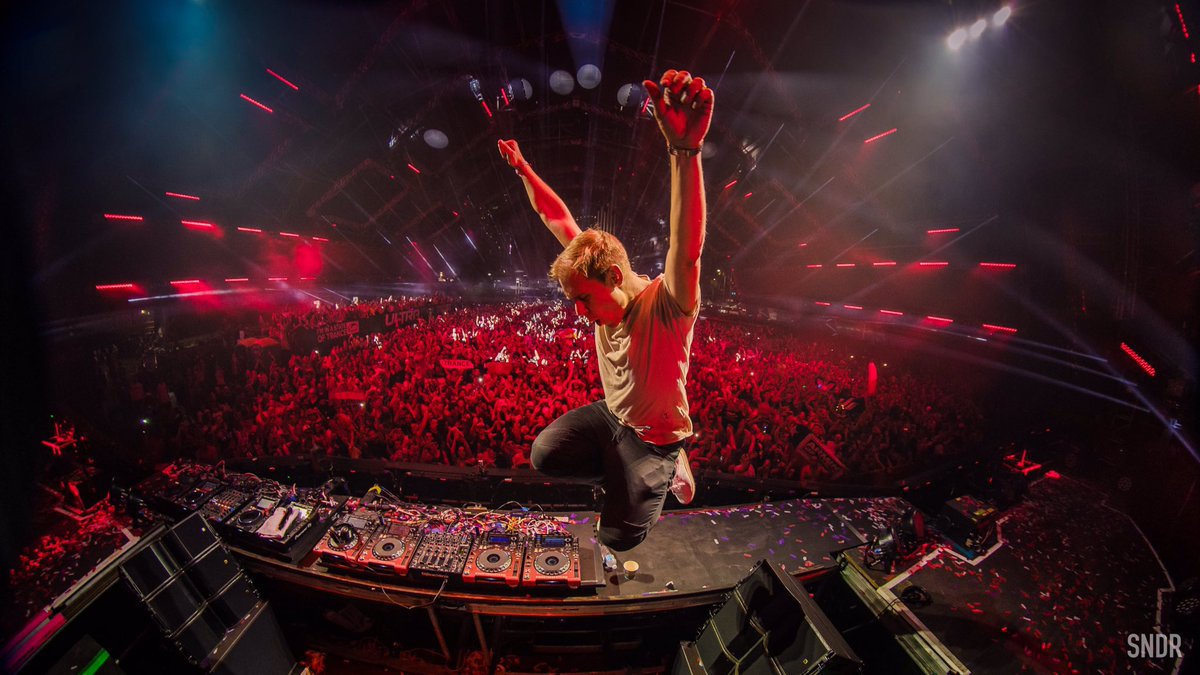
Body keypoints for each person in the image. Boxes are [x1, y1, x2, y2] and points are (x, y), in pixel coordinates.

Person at [497, 69, 713, 551]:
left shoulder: (667, 304)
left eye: (583, 300)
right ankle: (622, 469)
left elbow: (688, 249)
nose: (579, 315)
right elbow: (556, 216)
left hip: (655, 436)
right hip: (615, 415)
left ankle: (669, 463)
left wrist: (685, 150)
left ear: (614, 276)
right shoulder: (590, 269)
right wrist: (524, 169)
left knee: (618, 539)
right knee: (544, 455)